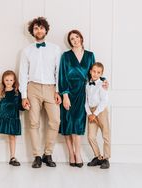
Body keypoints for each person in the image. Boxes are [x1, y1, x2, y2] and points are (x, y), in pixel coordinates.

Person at [19, 17, 61, 168]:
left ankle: (48, 153)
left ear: (46, 30)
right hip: (33, 88)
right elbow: (23, 74)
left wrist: (58, 91)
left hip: (51, 88)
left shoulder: (55, 49)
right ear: (32, 31)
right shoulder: (26, 51)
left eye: (41, 28)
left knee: (55, 121)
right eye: (36, 28)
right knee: (34, 122)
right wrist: (24, 96)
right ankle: (37, 155)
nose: (39, 30)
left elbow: (58, 72)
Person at [58, 30, 95, 168]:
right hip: (68, 92)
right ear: (70, 41)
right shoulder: (66, 56)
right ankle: (71, 153)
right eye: (72, 38)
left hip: (83, 92)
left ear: (81, 38)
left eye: (77, 37)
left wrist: (102, 81)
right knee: (68, 123)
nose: (75, 40)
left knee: (78, 124)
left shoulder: (90, 55)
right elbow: (62, 76)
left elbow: (94, 75)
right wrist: (65, 95)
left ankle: (78, 154)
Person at [0, 70, 25, 166]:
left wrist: (25, 107)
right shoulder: (0, 93)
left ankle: (12, 157)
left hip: (13, 118)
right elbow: (0, 106)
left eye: (11, 80)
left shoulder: (17, 93)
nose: (8, 82)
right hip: (2, 118)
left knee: (12, 137)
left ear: (14, 81)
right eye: (6, 80)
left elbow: (20, 107)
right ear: (3, 81)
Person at [85, 62, 111, 169]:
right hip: (91, 112)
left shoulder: (103, 85)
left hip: (101, 111)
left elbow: (104, 101)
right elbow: (86, 101)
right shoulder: (87, 85)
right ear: (90, 71)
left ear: (101, 74)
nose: (95, 74)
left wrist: (95, 114)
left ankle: (106, 158)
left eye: (98, 72)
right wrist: (89, 113)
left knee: (106, 135)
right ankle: (98, 157)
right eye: (94, 71)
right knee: (91, 136)